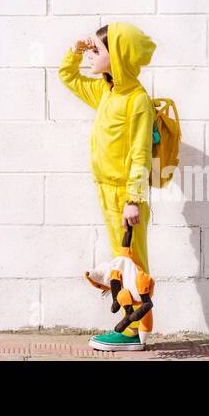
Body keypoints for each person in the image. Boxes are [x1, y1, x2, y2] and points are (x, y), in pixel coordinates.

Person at [58, 21, 157, 351]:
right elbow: (68, 77)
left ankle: (134, 331)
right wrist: (75, 52)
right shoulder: (106, 92)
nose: (92, 56)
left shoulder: (137, 100)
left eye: (98, 52)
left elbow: (141, 152)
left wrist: (133, 199)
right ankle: (135, 328)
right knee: (123, 259)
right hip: (106, 189)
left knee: (133, 260)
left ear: (119, 58)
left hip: (125, 195)